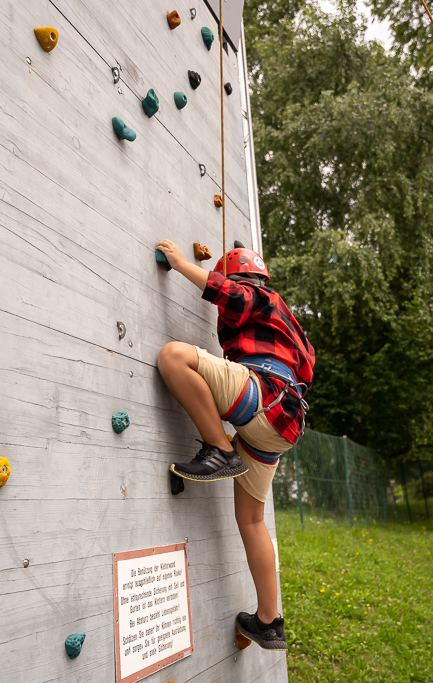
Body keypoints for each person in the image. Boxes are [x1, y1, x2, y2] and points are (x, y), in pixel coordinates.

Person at [155, 239, 315, 652]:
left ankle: (219, 449)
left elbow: (230, 293)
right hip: (281, 426)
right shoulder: (291, 325)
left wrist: (180, 264)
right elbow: (308, 368)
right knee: (252, 521)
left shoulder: (261, 296)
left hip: (264, 397)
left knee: (174, 357)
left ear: (245, 278)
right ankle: (269, 621)